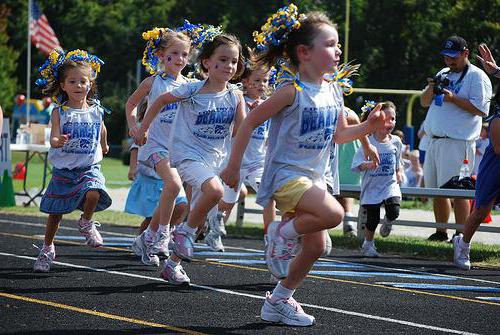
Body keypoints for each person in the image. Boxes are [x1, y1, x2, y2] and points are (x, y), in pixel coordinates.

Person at [221, 5, 387, 326]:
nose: (338, 51)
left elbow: (340, 135)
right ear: (304, 52)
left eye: (337, 44)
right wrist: (233, 166)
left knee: (316, 247)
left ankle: (279, 299)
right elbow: (249, 123)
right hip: (287, 175)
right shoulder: (290, 92)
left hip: (315, 177)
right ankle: (279, 232)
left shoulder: (334, 90)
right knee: (335, 214)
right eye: (330, 44)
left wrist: (368, 127)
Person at [136, 26, 246, 285]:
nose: (229, 66)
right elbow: (161, 100)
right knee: (215, 192)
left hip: (214, 161)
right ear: (207, 63)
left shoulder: (235, 96)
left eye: (233, 61)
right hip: (187, 157)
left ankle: (172, 264)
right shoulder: (193, 90)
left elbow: (240, 133)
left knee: (196, 204)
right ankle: (184, 233)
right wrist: (143, 128)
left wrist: (235, 166)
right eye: (222, 60)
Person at [33, 49, 112, 272]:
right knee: (55, 212)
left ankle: (86, 222)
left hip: (89, 166)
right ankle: (47, 248)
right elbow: (54, 135)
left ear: (91, 83)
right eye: (73, 81)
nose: (79, 85)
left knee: (94, 191)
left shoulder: (97, 110)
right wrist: (58, 140)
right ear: (63, 85)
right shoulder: (60, 112)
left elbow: (102, 128)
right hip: (64, 170)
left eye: (83, 81)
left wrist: (104, 144)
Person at [125, 26, 193, 259]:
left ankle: (145, 239)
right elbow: (131, 105)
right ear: (161, 56)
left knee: (181, 204)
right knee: (173, 186)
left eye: (185, 54)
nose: (180, 59)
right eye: (174, 54)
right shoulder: (153, 82)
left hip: (178, 149)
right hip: (154, 146)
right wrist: (134, 126)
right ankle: (163, 234)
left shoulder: (190, 86)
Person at [420, 35, 492, 242]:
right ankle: (441, 231)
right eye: (446, 57)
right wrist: (431, 88)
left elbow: (481, 110)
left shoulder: (477, 77)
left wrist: (453, 98)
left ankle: (461, 232)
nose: (449, 62)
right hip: (434, 140)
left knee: (458, 190)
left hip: (457, 142)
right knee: (436, 191)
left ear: (465, 54)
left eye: (453, 57)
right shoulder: (443, 72)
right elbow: (424, 103)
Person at [204, 55, 276, 252]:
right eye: (257, 81)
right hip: (234, 162)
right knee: (227, 203)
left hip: (256, 163)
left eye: (265, 80)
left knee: (268, 196)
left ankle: (270, 238)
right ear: (245, 82)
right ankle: (214, 229)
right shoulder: (238, 99)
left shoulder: (270, 103)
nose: (262, 85)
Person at [125, 97, 188, 266]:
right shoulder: (146, 133)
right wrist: (132, 169)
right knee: (151, 216)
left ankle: (160, 235)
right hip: (151, 179)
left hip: (170, 169)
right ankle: (146, 241)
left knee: (182, 205)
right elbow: (135, 150)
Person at [453, 44, 500, 269]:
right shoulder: (498, 120)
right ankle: (463, 244)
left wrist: (497, 70)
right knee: (481, 209)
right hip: (496, 166)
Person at [351, 101, 403, 257]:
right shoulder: (367, 142)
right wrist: (368, 165)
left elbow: (398, 161)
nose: (390, 122)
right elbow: (356, 165)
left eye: (393, 119)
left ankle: (388, 221)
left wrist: (399, 172)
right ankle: (368, 245)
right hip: (372, 185)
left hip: (389, 184)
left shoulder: (396, 141)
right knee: (372, 220)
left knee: (394, 210)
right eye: (386, 118)